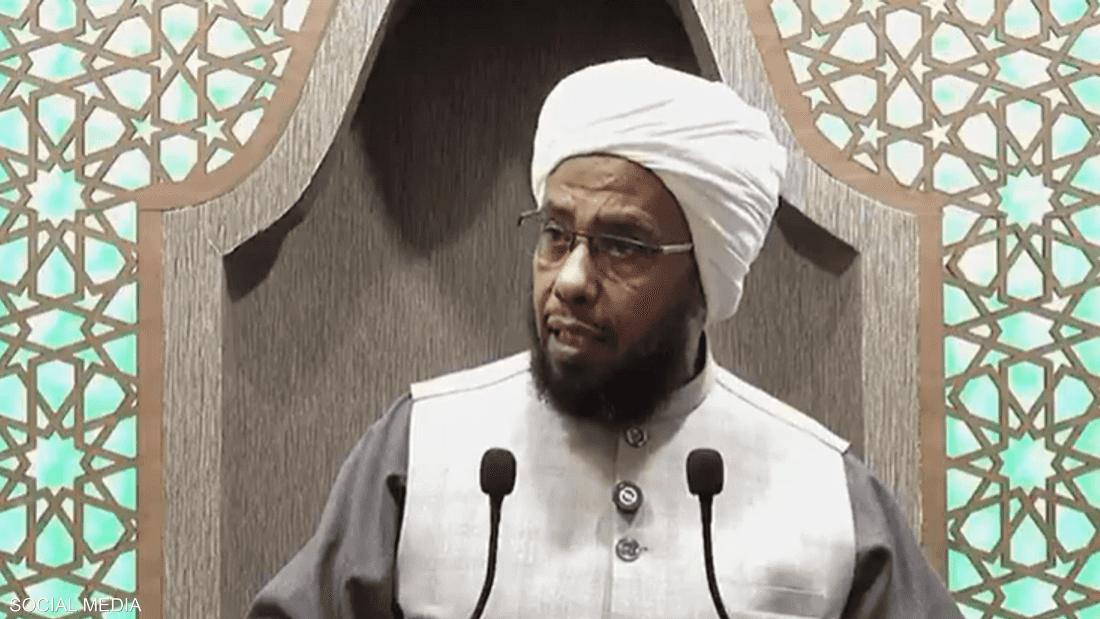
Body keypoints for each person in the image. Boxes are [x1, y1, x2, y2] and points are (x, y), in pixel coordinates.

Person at [246, 58, 963, 619]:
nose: (571, 280)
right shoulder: (423, 445)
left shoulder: (823, 487)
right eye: (556, 234)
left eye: (622, 244)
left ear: (703, 279)